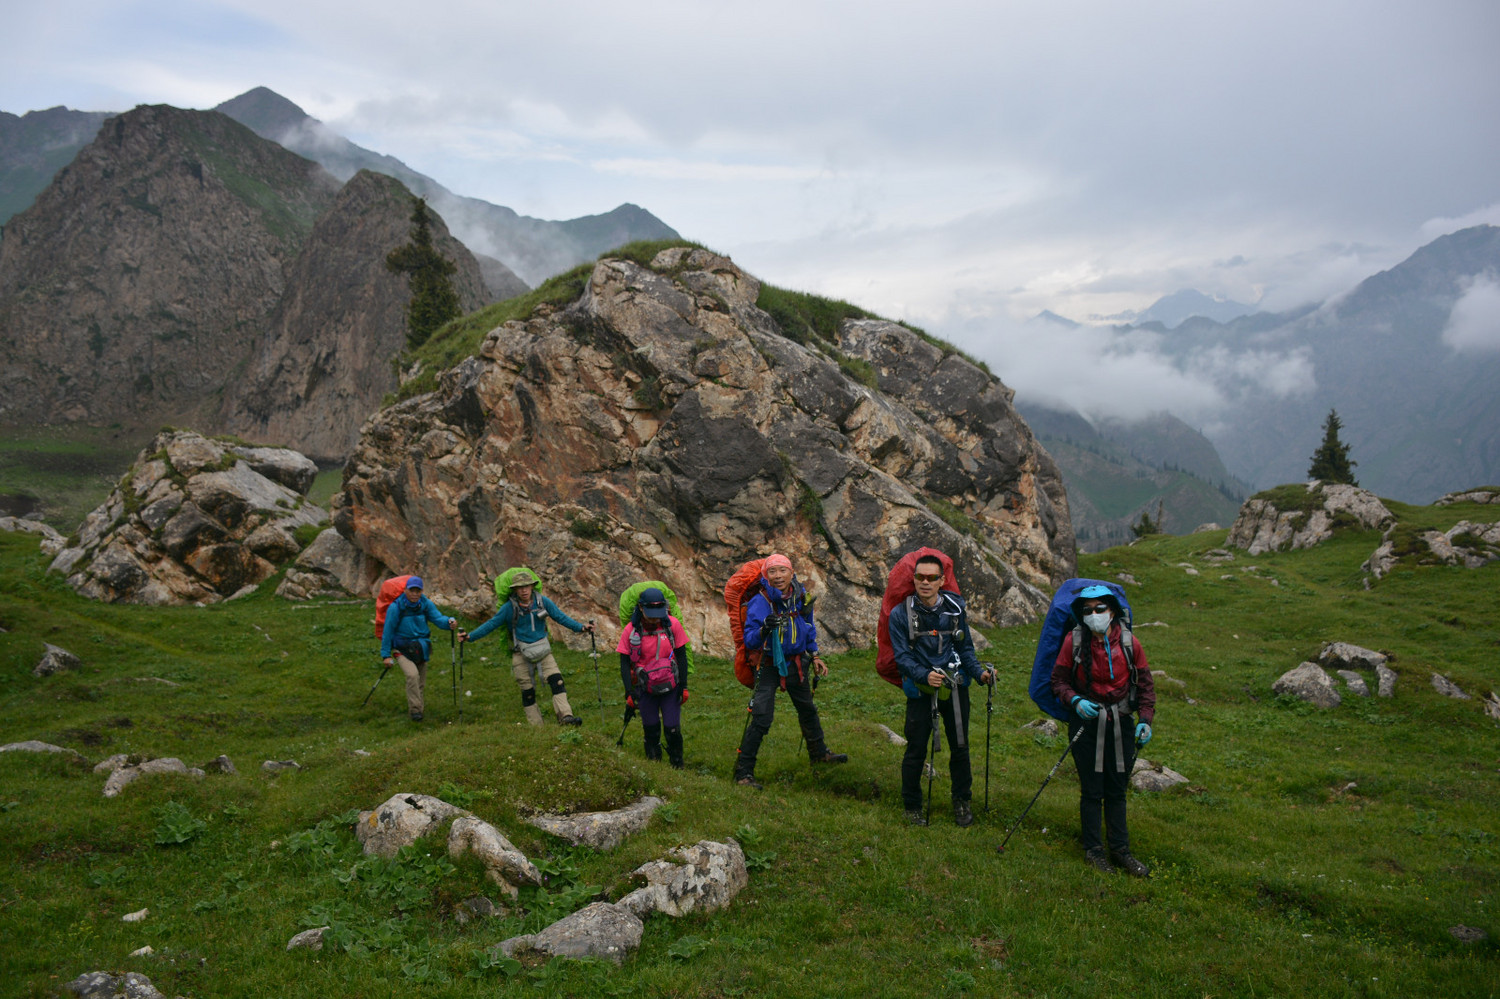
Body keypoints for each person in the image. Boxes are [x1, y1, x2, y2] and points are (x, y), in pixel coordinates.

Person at [1050, 584, 1156, 877]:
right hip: (1085, 722)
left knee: (1117, 789)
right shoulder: (1073, 642)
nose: (1094, 615)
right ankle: (1094, 850)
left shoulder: (1130, 643)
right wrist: (1075, 700)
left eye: (1100, 609)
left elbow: (1145, 685)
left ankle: (1121, 851)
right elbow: (1058, 681)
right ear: (1081, 615)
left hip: (1121, 722)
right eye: (1088, 610)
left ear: (1112, 611)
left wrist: (1145, 720)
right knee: (1092, 789)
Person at [888, 553, 995, 827]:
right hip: (921, 689)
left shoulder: (955, 609)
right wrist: (925, 675)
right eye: (920, 577)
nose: (925, 582)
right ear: (913, 579)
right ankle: (912, 806)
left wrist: (980, 673)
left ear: (942, 580)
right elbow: (902, 657)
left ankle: (962, 801)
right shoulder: (901, 614)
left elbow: (965, 648)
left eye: (931, 578)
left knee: (960, 746)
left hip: (956, 686)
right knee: (916, 748)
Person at [732, 553, 847, 788]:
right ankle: (743, 772)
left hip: (796, 662)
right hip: (767, 664)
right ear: (766, 575)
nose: (777, 576)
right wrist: (764, 628)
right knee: (762, 717)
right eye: (772, 571)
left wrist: (814, 655)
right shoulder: (759, 602)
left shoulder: (800, 596)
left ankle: (819, 754)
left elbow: (807, 626)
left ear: (791, 572)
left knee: (807, 709)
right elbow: (750, 640)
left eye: (782, 570)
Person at [461, 568, 593, 726]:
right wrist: (470, 637)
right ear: (515, 590)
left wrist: (581, 628)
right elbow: (491, 624)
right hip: (520, 653)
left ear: (532, 586)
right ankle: (536, 727)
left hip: (543, 651)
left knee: (557, 681)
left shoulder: (543, 602)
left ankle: (566, 717)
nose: (523, 590)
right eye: (520, 587)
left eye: (526, 586)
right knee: (528, 692)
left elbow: (560, 617)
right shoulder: (508, 608)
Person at [618, 587, 690, 768]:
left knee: (672, 728)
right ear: (641, 608)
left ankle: (677, 765)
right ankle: (654, 766)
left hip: (670, 686)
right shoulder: (631, 631)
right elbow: (624, 662)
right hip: (644, 688)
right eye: (650, 613)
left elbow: (681, 655)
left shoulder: (672, 625)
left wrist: (684, 686)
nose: (655, 618)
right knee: (650, 727)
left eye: (658, 613)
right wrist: (629, 691)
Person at [378, 577, 458, 722]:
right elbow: (388, 631)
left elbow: (438, 618)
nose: (414, 594)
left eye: (418, 591)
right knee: (412, 676)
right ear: (405, 590)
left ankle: (418, 709)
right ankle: (415, 711)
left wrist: (449, 621)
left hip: (421, 647)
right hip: (401, 648)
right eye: (411, 590)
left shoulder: (425, 604)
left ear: (421, 591)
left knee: (420, 682)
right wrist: (386, 655)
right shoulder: (396, 607)